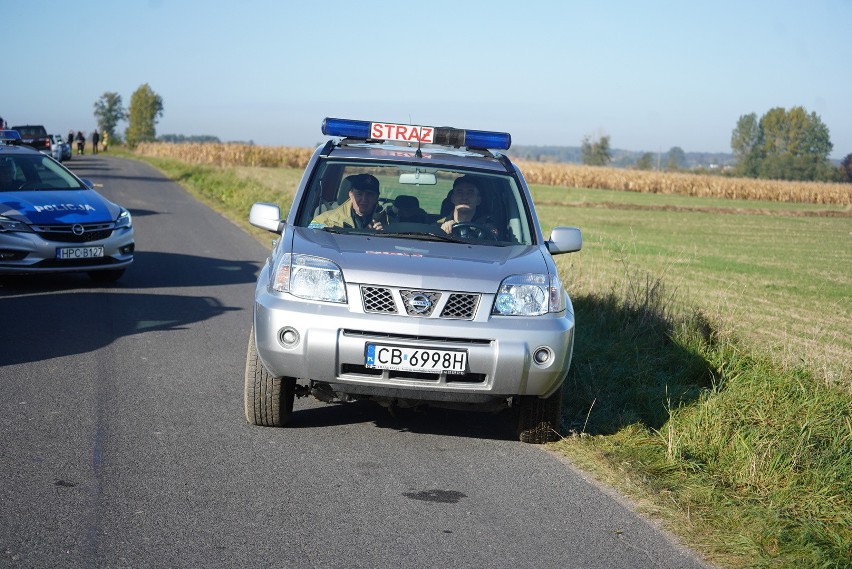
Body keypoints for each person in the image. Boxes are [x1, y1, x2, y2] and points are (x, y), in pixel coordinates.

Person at [311, 174, 384, 230]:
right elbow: (310, 243)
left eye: (370, 194)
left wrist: (383, 235)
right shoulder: (323, 220)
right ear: (351, 195)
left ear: (377, 197)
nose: (364, 199)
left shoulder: (389, 223)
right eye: (359, 194)